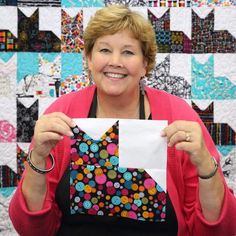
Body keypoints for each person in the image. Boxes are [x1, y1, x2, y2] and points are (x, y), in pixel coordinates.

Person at [9, 4, 236, 236]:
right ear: (88, 58)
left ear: (145, 64)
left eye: (128, 52)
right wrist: (37, 157)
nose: (115, 61)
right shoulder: (64, 112)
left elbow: (220, 230)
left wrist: (207, 166)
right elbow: (31, 229)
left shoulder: (177, 115)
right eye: (105, 50)